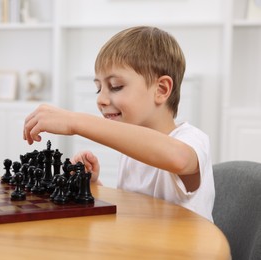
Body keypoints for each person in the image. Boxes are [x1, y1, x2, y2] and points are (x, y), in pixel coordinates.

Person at [23, 26, 215, 222]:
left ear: (161, 89)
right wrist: (92, 184)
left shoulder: (192, 139)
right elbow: (135, 209)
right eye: (98, 89)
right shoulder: (131, 153)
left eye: (116, 87)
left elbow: (179, 159)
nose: (101, 100)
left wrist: (76, 121)